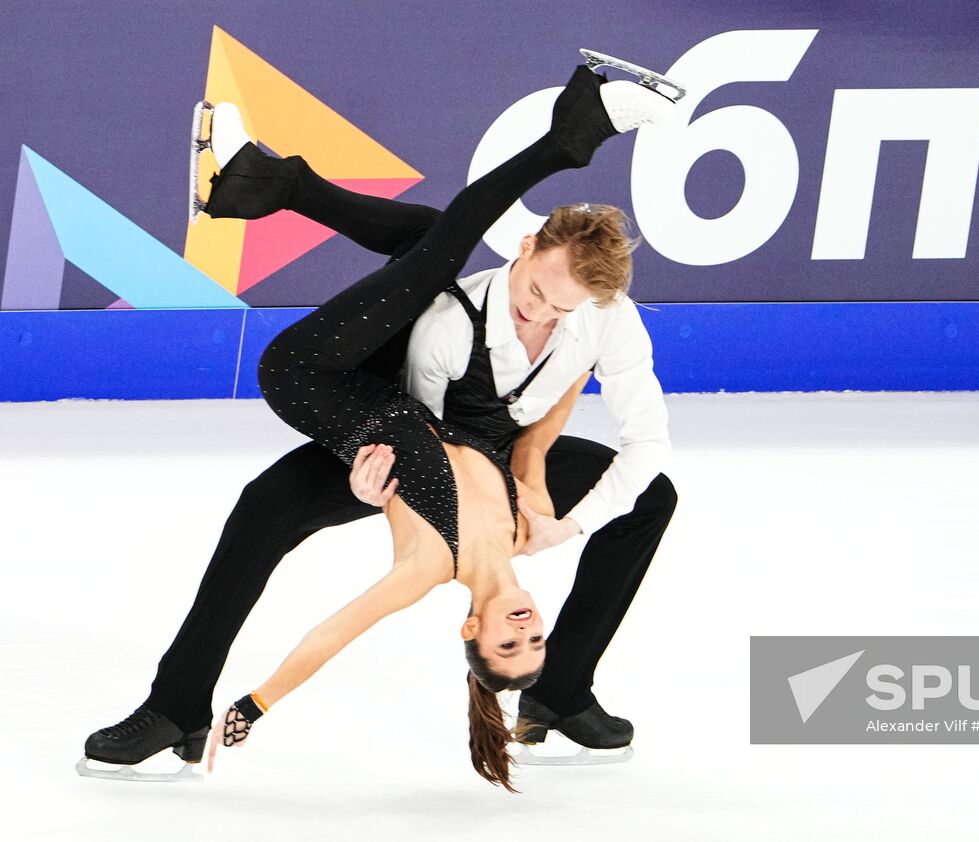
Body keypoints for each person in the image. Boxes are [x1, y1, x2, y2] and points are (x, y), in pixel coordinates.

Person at [81, 57, 679, 791]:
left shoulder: (603, 318)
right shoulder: (449, 324)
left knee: (648, 497)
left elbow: (608, 414)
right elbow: (417, 424)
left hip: (483, 454)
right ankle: (176, 706)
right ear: (523, 251)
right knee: (268, 506)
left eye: (562, 309)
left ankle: (558, 691)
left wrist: (543, 485)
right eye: (534, 295)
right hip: (409, 425)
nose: (541, 316)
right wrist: (384, 491)